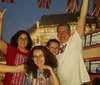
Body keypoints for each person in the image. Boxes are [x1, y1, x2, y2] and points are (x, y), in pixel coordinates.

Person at [56, 0, 90, 85]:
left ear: (70, 33)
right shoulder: (56, 47)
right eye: (59, 32)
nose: (61, 34)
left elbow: (82, 17)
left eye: (64, 31)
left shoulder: (75, 40)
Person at [0, 9, 33, 85]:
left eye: (26, 38)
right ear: (16, 40)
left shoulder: (32, 54)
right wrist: (0, 21)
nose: (23, 40)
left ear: (28, 41)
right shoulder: (11, 50)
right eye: (21, 38)